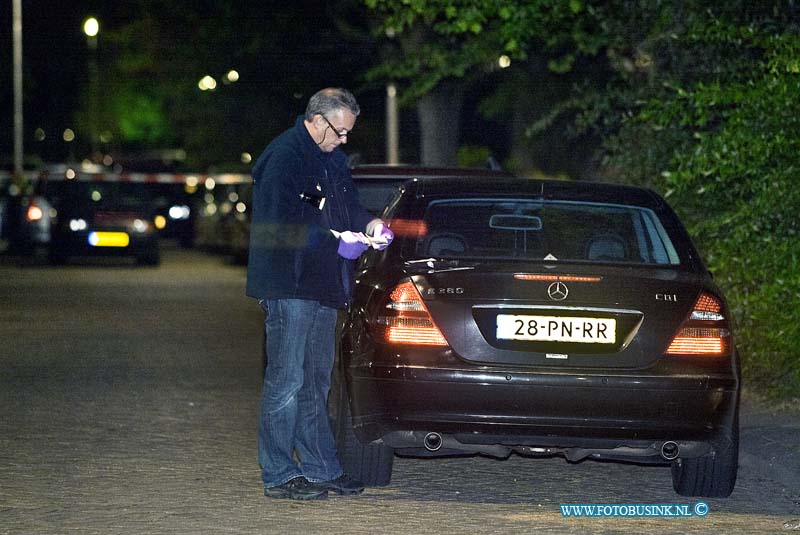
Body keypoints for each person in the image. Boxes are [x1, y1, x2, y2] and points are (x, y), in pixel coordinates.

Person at [246, 88, 394, 500]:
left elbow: (347, 211)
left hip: (324, 286)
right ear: (317, 120)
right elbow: (277, 228)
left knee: (316, 381)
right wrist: (336, 242)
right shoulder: (284, 158)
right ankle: (278, 472)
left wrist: (369, 227)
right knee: (287, 380)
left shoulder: (332, 159)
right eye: (340, 131)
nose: (344, 140)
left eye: (348, 133)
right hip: (290, 285)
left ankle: (319, 467)